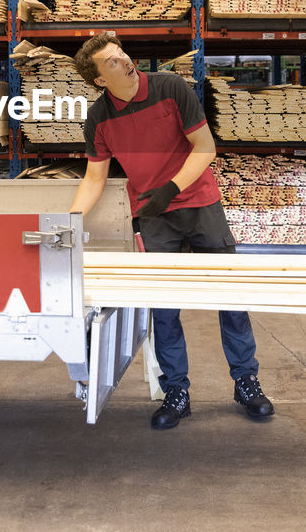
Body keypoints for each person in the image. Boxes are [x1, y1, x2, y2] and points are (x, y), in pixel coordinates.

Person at [69, 32, 274, 430]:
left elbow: (205, 147)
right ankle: (176, 391)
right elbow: (94, 177)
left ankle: (246, 381)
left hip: (199, 203)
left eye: (122, 53)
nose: (124, 61)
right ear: (99, 80)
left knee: (230, 295)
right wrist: (70, 221)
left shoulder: (169, 87)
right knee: (164, 308)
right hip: (154, 216)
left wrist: (172, 188)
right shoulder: (100, 118)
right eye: (111, 61)